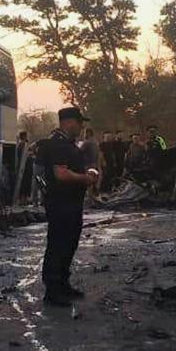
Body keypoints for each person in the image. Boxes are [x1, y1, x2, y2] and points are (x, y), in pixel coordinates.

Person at [38, 107, 99, 307]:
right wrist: (86, 179)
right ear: (69, 122)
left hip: (71, 203)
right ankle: (53, 290)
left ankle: (63, 284)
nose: (82, 127)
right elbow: (61, 174)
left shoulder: (69, 144)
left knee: (69, 244)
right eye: (80, 122)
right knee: (58, 244)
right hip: (60, 203)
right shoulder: (58, 144)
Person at [80, 127, 100, 199]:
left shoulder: (87, 142)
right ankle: (95, 196)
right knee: (94, 181)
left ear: (88, 133)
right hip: (95, 164)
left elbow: (79, 151)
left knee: (88, 181)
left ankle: (90, 198)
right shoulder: (95, 142)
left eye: (85, 133)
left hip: (87, 164)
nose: (84, 134)